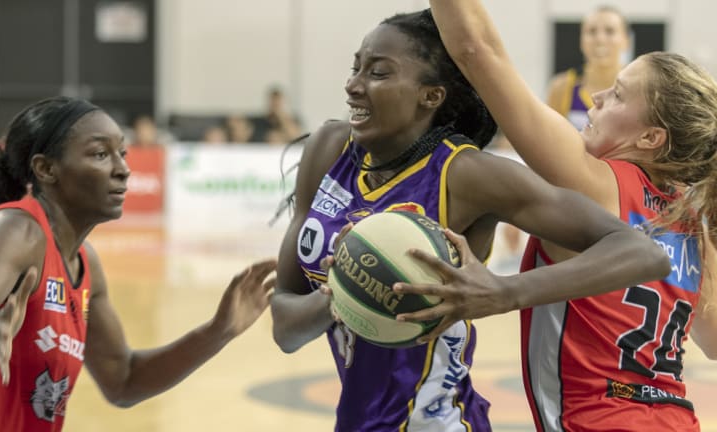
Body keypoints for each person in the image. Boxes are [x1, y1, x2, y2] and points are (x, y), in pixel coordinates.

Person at [270, 10, 669, 432]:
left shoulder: (466, 174)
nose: (353, 85)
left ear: (431, 95)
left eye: (378, 72)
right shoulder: (328, 148)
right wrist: (343, 292)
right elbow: (285, 329)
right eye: (356, 68)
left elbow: (643, 252)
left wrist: (506, 292)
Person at [396, 1, 717, 430]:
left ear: (650, 137)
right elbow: (712, 340)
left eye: (618, 94)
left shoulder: (595, 184)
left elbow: (478, 51)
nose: (598, 98)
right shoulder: (692, 218)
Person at [0, 96, 277, 431]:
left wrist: (217, 332)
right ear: (47, 169)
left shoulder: (85, 263)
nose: (123, 169)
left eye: (123, 153)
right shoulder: (18, 232)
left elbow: (124, 380)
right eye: (100, 154)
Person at [546, 6, 630, 130]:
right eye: (591, 31)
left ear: (625, 41)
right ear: (581, 40)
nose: (600, 39)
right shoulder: (562, 86)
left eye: (610, 31)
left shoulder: (639, 88)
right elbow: (546, 136)